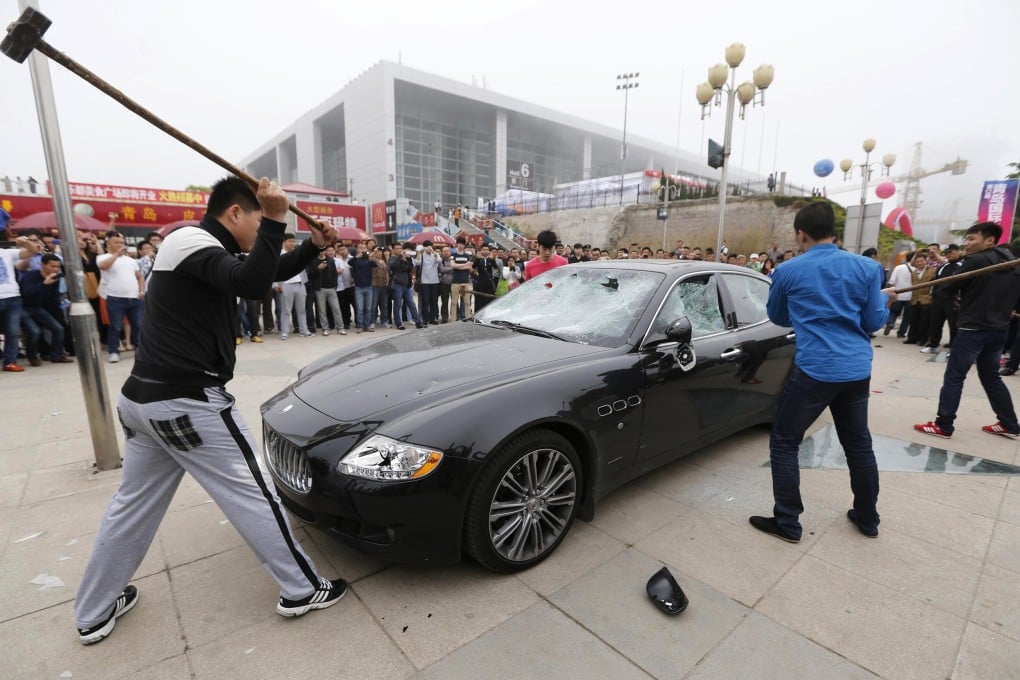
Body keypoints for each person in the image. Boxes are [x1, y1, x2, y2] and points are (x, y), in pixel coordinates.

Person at [74, 177, 346, 646]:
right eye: (258, 219)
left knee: (131, 508)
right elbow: (254, 283)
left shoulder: (196, 248)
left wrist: (312, 247)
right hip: (186, 404)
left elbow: (267, 271)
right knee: (254, 492)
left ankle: (93, 611)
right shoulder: (189, 239)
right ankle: (302, 588)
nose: (263, 228)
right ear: (237, 214)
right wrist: (278, 215)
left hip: (148, 403)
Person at [749, 202, 890, 542]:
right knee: (858, 444)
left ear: (800, 233)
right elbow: (874, 321)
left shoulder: (787, 271)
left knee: (784, 442)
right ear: (834, 233)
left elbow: (779, 317)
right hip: (856, 370)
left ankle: (787, 522)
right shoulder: (868, 268)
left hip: (815, 370)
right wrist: (885, 302)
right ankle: (867, 517)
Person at [914, 222, 1020, 439]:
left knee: (955, 376)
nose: (967, 244)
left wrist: (956, 300)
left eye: (972, 239)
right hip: (999, 329)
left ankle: (943, 425)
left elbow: (946, 289)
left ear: (989, 240)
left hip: (973, 328)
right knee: (991, 377)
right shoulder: (1014, 263)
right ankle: (1009, 423)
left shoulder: (977, 261)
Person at [18, 253, 73, 366]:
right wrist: (44, 283)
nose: (55, 269)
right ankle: (32, 356)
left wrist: (62, 304)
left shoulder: (54, 278)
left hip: (38, 308)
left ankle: (57, 355)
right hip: (23, 307)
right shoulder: (31, 276)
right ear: (42, 265)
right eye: (52, 266)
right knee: (34, 331)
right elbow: (27, 293)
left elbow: (53, 297)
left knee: (58, 328)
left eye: (57, 267)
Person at [97, 232, 144, 363]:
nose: (119, 245)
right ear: (108, 244)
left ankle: (141, 351)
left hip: (135, 298)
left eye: (121, 243)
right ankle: (113, 352)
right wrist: (117, 254)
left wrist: (141, 290)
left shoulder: (130, 260)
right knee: (116, 327)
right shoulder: (103, 257)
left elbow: (139, 276)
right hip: (115, 298)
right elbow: (103, 266)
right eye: (116, 242)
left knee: (138, 326)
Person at [1, 236, 35, 371]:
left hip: (12, 296)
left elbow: (32, 252)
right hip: (11, 298)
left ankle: (10, 362)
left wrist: (26, 242)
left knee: (13, 332)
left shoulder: (7, 252)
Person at [273, 234, 310, 339]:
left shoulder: (297, 253)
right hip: (286, 285)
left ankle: (304, 330)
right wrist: (275, 284)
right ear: (284, 242)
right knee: (286, 310)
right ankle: (284, 332)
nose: (292, 243)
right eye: (290, 241)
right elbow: (273, 271)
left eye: (293, 241)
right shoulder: (279, 255)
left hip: (299, 284)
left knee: (302, 309)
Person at [388, 242, 423, 330]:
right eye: (397, 248)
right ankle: (399, 324)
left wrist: (407, 259)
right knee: (398, 304)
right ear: (393, 249)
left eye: (400, 248)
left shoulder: (407, 258)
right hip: (397, 284)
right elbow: (393, 267)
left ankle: (418, 322)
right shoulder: (392, 258)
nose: (399, 250)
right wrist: (401, 258)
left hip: (407, 284)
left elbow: (410, 268)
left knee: (411, 304)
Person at [414, 240, 441, 325]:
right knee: (425, 301)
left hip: (434, 281)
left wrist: (433, 252)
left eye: (430, 246)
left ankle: (432, 318)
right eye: (427, 246)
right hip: (424, 282)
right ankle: (425, 319)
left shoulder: (435, 255)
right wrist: (419, 253)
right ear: (424, 247)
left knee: (434, 301)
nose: (429, 248)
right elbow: (417, 263)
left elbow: (439, 261)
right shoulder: (422, 255)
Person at [450, 237, 473, 320]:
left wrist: (459, 266)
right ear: (457, 244)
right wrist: (464, 265)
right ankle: (453, 319)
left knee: (467, 302)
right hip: (455, 281)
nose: (461, 245)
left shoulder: (467, 255)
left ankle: (468, 318)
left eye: (463, 244)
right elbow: (452, 265)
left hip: (466, 281)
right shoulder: (453, 255)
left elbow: (470, 267)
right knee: (454, 302)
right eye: (460, 243)